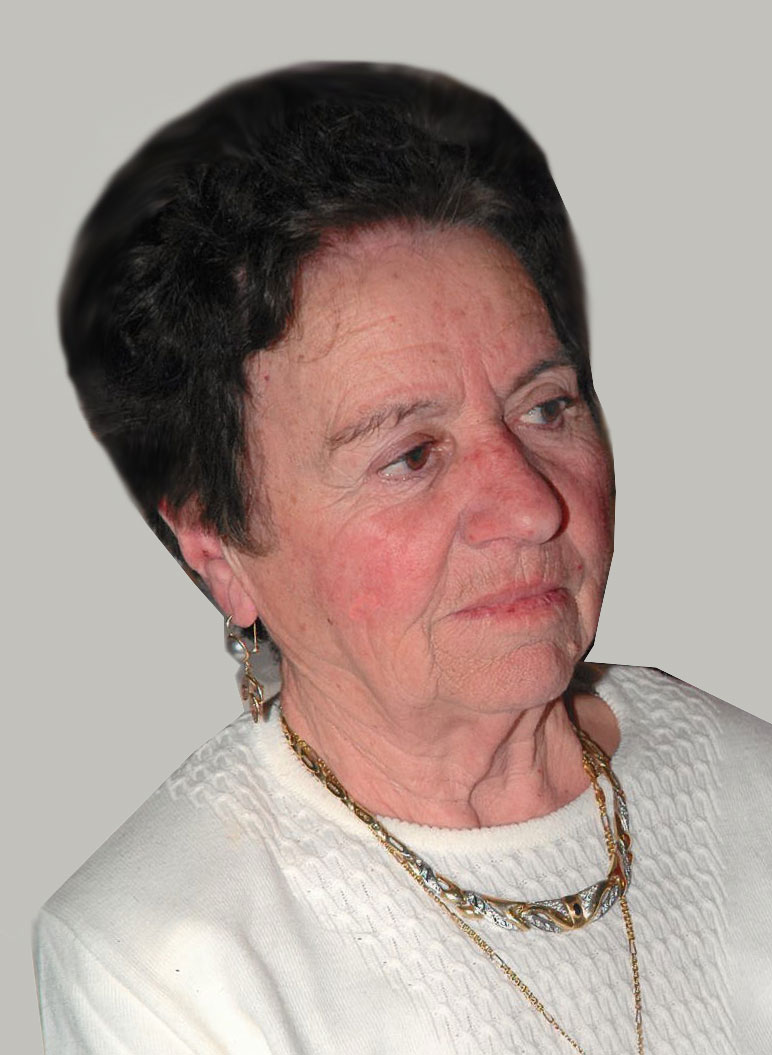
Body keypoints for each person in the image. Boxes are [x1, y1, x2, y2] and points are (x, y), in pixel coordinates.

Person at [34, 61, 771, 1055]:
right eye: (411, 455)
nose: (532, 506)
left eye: (546, 407)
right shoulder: (166, 955)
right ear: (219, 549)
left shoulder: (752, 791)